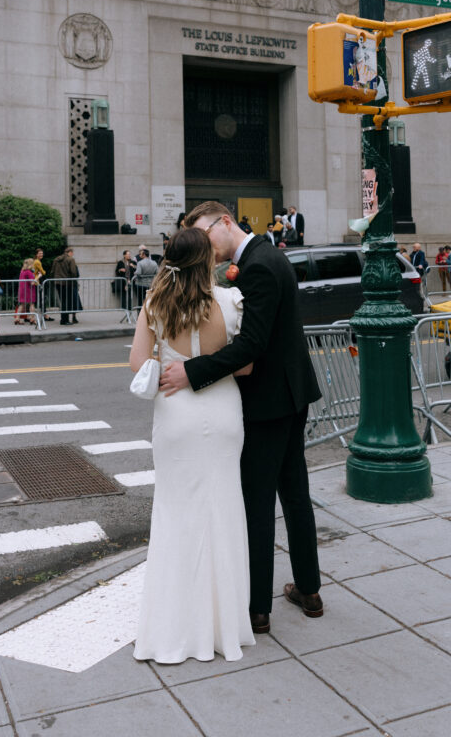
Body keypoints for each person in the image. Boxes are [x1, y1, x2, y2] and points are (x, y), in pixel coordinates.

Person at [160, 201, 323, 636]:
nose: (205, 247)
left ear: (225, 222)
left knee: (258, 503)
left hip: (269, 401)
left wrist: (191, 371)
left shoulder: (258, 267)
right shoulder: (267, 256)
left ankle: (256, 609)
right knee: (294, 493)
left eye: (204, 234)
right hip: (292, 394)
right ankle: (309, 590)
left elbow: (251, 345)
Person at [131, 227, 255, 663]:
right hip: (222, 412)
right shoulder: (229, 301)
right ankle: (224, 629)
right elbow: (245, 365)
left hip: (175, 411)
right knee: (222, 511)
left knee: (175, 514)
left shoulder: (154, 304)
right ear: (207, 262)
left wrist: (172, 361)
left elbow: (136, 364)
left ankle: (173, 626)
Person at [51, 247, 79, 325]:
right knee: (67, 301)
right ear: (70, 252)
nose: (73, 254)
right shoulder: (70, 259)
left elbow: (52, 271)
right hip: (67, 283)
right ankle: (65, 320)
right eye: (72, 252)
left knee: (62, 301)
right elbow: (73, 272)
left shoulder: (56, 259)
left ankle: (63, 319)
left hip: (58, 283)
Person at [16, 257, 38, 325]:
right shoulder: (29, 272)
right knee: (32, 304)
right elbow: (32, 282)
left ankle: (17, 318)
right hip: (29, 290)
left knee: (22, 304)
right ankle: (32, 318)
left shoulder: (22, 271)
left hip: (22, 290)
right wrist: (38, 276)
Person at [33, 248, 52, 321]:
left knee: (38, 299)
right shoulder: (37, 262)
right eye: (40, 253)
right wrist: (42, 272)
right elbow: (43, 272)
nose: (41, 254)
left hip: (36, 281)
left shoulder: (35, 261)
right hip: (37, 282)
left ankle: (43, 315)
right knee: (42, 299)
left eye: (42, 253)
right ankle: (45, 315)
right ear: (36, 254)